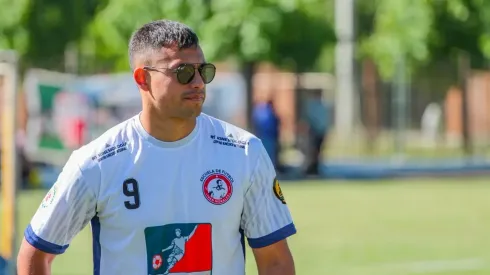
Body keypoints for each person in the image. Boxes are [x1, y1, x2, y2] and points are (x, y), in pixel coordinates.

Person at [17, 19, 296, 275]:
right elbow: (36, 253)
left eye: (204, 71)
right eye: (183, 72)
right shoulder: (95, 163)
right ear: (142, 78)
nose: (198, 82)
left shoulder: (244, 152)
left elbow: (275, 261)